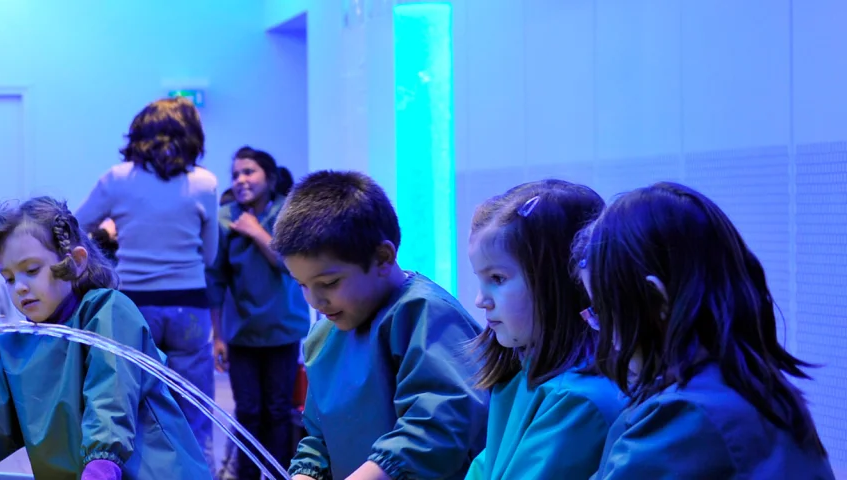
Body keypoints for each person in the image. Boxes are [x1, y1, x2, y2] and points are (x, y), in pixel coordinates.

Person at [0, 197, 212, 479]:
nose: (20, 288)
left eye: (31, 270)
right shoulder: (11, 351)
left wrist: (101, 462)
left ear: (76, 262)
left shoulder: (107, 313)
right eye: (9, 278)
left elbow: (111, 393)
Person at [581, 182, 833, 478]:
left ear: (657, 300)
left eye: (602, 311)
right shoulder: (763, 394)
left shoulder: (684, 414)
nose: (603, 334)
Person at [274, 171, 486, 480]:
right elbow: (319, 438)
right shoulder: (323, 337)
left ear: (383, 257)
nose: (315, 301)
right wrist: (306, 474)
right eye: (302, 285)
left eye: (329, 282)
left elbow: (440, 425)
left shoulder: (424, 315)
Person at [73, 97, 222, 444]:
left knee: (134, 403)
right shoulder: (204, 183)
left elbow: (73, 227)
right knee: (194, 409)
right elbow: (211, 255)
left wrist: (105, 240)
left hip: (134, 305)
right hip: (190, 306)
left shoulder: (117, 179)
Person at [460, 180, 624, 479]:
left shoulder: (578, 401)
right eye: (480, 279)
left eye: (497, 278)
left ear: (558, 282)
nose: (480, 300)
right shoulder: (519, 374)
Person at [206, 146, 308, 479]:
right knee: (248, 412)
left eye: (249, 172)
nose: (240, 180)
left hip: (283, 329)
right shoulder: (224, 218)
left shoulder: (288, 213)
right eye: (235, 174)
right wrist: (218, 336)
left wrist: (256, 231)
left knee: (278, 411)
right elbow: (216, 280)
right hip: (241, 335)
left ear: (269, 176)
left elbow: (289, 263)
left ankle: (279, 474)